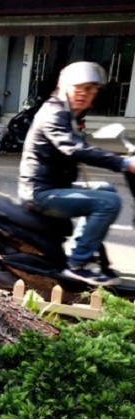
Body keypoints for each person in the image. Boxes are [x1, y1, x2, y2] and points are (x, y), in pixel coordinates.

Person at [18, 61, 135, 286]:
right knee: (108, 203)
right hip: (40, 193)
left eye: (90, 89)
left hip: (52, 186)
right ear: (63, 86)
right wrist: (123, 162)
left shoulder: (67, 112)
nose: (84, 93)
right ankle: (77, 264)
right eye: (78, 87)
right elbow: (73, 148)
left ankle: (83, 248)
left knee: (106, 189)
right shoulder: (54, 112)